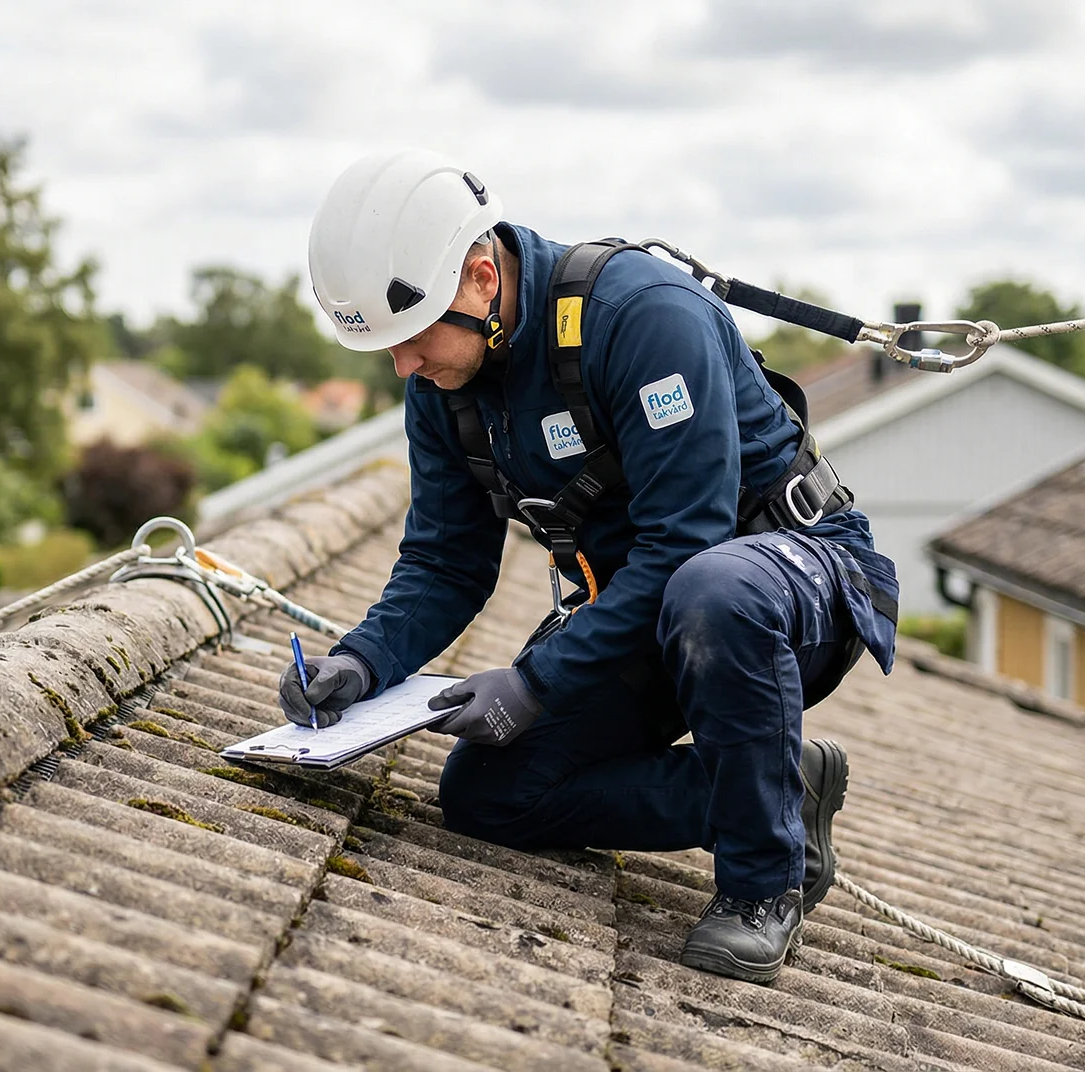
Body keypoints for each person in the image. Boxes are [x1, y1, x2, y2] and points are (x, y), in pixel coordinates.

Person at [281, 149, 898, 984]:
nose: (403, 368)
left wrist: (535, 681)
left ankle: (762, 884)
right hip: (653, 611)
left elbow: (685, 544)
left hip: (791, 586)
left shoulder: (642, 318)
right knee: (489, 794)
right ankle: (780, 791)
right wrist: (362, 662)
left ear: (480, 279)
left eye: (412, 338)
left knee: (713, 587)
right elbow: (445, 561)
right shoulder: (442, 385)